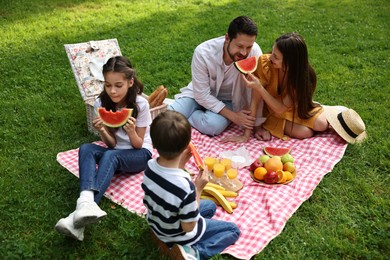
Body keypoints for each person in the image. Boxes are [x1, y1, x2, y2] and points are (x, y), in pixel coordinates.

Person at [55, 56, 153, 241]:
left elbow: (139, 143)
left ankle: (80, 211)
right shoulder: (101, 103)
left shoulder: (141, 104)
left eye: (118, 85)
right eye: (108, 85)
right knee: (86, 148)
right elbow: (112, 144)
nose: (112, 91)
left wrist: (131, 132)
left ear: (130, 82)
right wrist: (102, 130)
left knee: (111, 157)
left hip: (140, 154)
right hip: (116, 151)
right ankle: (84, 206)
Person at [142, 110, 240, 259]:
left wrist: (180, 164)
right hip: (179, 234)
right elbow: (189, 226)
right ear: (185, 145)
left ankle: (161, 239)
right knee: (233, 230)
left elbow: (168, 187)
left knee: (211, 207)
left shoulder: (150, 167)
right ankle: (195, 252)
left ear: (154, 144)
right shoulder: (185, 186)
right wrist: (198, 189)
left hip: (159, 224)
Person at [168, 16, 265, 136]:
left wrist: (257, 126)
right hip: (199, 95)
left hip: (230, 100)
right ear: (227, 38)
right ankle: (188, 111)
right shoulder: (203, 52)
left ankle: (187, 114)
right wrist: (234, 117)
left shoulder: (255, 52)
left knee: (212, 127)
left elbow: (256, 91)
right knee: (168, 116)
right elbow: (202, 95)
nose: (244, 53)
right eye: (240, 46)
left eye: (249, 47)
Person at [224, 32, 329, 142]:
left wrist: (259, 87)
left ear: (289, 63)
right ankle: (270, 123)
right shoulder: (265, 65)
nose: (270, 58)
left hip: (290, 108)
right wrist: (248, 134)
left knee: (322, 125)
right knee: (305, 133)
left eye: (276, 57)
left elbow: (281, 108)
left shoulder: (302, 77)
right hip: (271, 112)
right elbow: (255, 101)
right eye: (273, 52)